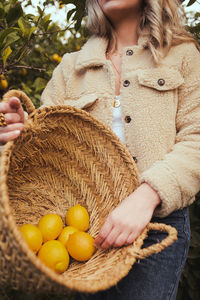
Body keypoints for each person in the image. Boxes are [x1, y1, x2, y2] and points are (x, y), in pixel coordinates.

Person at [0, 0, 200, 299]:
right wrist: (20, 129)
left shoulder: (182, 55)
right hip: (82, 231)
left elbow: (196, 138)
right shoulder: (72, 66)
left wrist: (146, 197)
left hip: (157, 220)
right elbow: (50, 146)